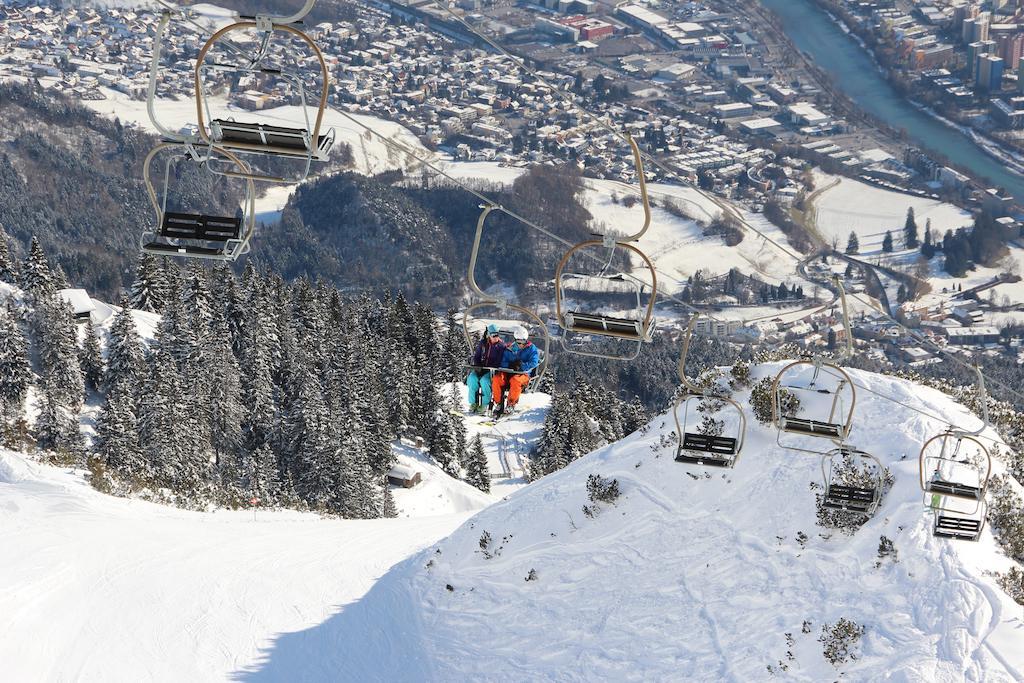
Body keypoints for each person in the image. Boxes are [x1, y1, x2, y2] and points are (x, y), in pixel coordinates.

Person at [491, 325, 540, 416]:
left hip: (523, 374)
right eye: (519, 342)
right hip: (508, 372)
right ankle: (498, 403)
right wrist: (510, 365)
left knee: (516, 380)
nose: (521, 344)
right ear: (515, 340)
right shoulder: (509, 348)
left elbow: (534, 362)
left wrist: (521, 366)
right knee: (497, 379)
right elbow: (502, 361)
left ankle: (511, 404)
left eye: (523, 342)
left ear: (526, 340)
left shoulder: (531, 348)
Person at [467, 323, 505, 413]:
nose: (496, 337)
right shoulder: (483, 344)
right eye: (493, 335)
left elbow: (499, 361)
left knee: (484, 381)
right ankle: (473, 403)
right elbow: (477, 356)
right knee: (472, 378)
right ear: (488, 334)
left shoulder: (501, 346)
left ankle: (484, 404)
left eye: (497, 335)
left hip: (493, 371)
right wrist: (478, 366)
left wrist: (488, 369)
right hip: (482, 368)